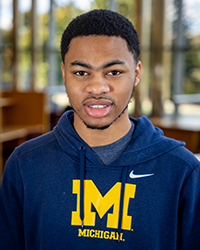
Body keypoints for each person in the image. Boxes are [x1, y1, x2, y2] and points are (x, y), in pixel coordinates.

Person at [0, 9, 200, 250]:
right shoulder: (24, 164)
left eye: (114, 72)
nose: (97, 87)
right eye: (81, 73)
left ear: (136, 74)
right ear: (64, 74)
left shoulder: (182, 171)